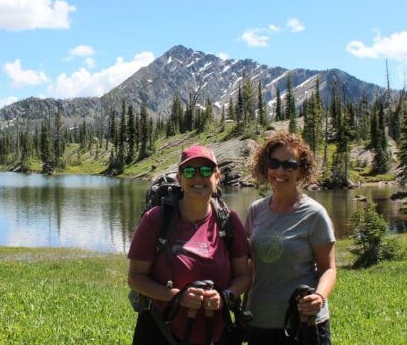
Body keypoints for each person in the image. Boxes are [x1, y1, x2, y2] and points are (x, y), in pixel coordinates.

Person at [128, 145, 251, 344]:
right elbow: (136, 278)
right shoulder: (156, 219)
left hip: (217, 333)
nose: (198, 177)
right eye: (189, 171)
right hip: (162, 331)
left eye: (205, 171)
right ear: (180, 178)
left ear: (217, 177)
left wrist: (226, 296)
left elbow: (244, 276)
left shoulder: (229, 221)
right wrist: (177, 297)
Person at [244, 131, 336, 345]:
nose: (280, 171)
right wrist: (243, 309)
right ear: (265, 167)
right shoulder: (255, 211)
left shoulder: (314, 214)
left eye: (289, 165)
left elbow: (328, 268)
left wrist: (319, 297)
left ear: (301, 171)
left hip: (304, 322)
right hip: (260, 321)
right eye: (273, 163)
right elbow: (249, 266)